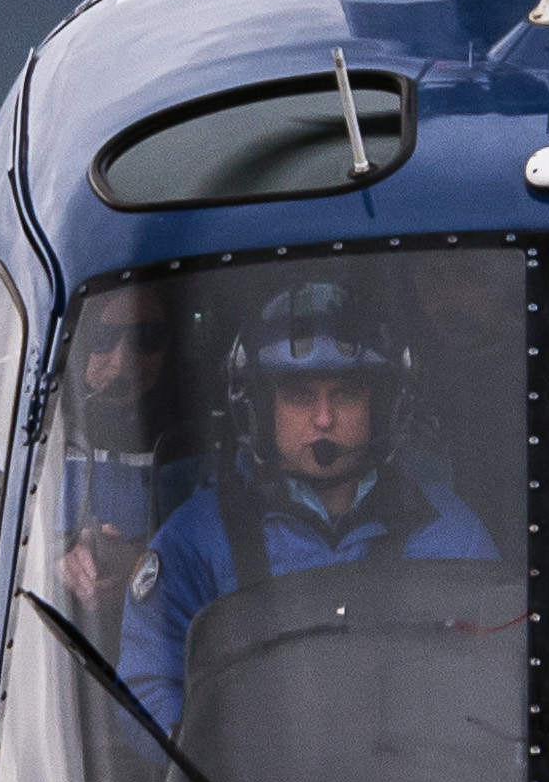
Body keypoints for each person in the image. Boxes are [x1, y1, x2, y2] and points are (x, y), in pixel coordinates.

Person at [120, 283, 487, 742]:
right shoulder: (193, 540)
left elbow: (488, 681)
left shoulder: (451, 533)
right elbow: (147, 693)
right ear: (257, 406)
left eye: (347, 393)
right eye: (298, 394)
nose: (323, 419)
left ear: (383, 404)